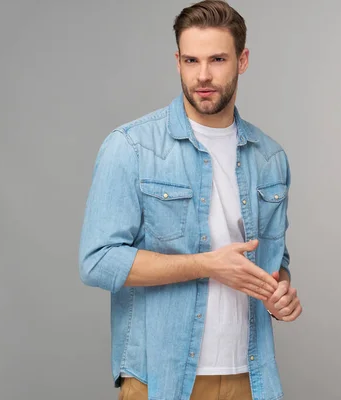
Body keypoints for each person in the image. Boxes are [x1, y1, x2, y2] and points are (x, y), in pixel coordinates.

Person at [78, 1, 302, 399]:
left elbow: (273, 262)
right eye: (191, 60)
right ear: (177, 61)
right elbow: (98, 260)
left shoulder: (270, 158)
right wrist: (206, 266)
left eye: (217, 59)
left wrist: (280, 292)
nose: (203, 75)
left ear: (242, 60)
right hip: (162, 378)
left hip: (250, 377)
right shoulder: (131, 147)